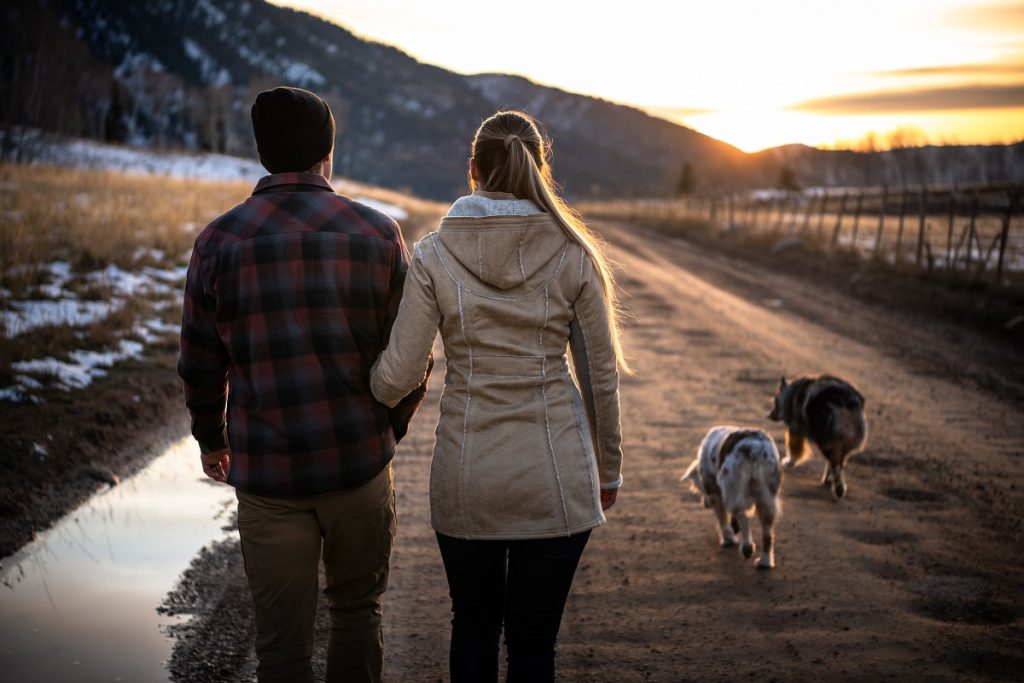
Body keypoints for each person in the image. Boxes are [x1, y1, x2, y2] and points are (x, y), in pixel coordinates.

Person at [178, 86, 428, 683]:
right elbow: (411, 354)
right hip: (358, 465)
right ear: (327, 153)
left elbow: (200, 359)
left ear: (265, 153)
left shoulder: (219, 241)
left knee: (282, 645)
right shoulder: (377, 234)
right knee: (356, 615)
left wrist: (212, 440)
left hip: (268, 474)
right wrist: (384, 430)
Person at [370, 110, 627, 682]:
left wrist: (363, 379)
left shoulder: (435, 254)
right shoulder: (575, 255)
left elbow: (396, 377)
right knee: (535, 644)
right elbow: (600, 378)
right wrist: (607, 472)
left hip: (467, 480)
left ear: (473, 171)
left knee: (474, 625)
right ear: (539, 168)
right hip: (556, 480)